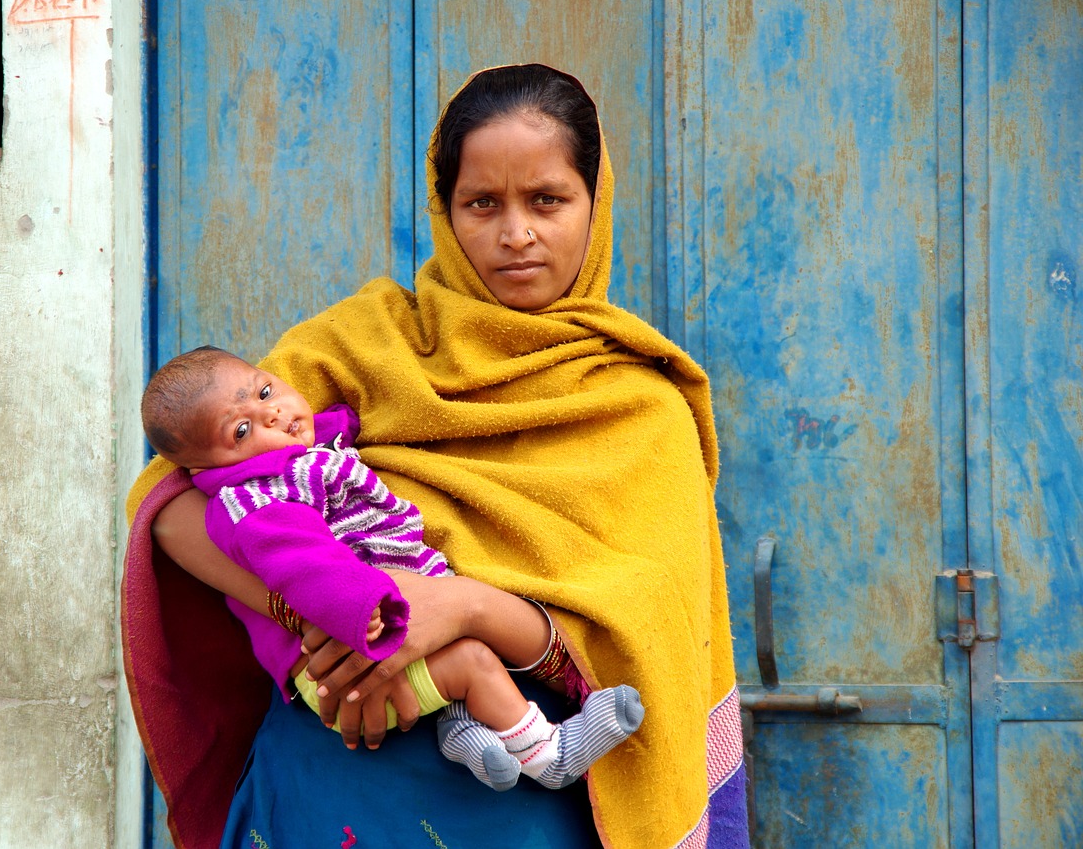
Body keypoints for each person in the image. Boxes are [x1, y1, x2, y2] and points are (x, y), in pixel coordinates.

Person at [123, 64, 749, 848]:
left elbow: (645, 633)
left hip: (522, 809)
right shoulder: (359, 347)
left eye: (548, 201)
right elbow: (171, 501)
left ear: (596, 203)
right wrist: (328, 612)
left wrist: (461, 607)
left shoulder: (643, 412)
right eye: (482, 203)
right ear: (446, 213)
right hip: (328, 789)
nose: (515, 233)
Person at [139, 346, 645, 792]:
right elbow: (305, 565)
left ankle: (465, 730)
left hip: (396, 627)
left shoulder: (320, 439)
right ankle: (550, 755)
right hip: (343, 663)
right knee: (472, 661)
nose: (271, 414)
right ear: (209, 469)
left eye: (266, 390)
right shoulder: (260, 498)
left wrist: (466, 606)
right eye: (242, 429)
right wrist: (365, 617)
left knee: (463, 656)